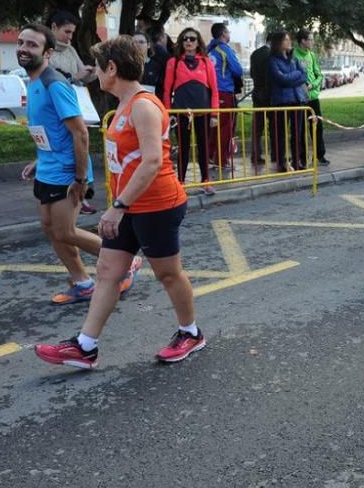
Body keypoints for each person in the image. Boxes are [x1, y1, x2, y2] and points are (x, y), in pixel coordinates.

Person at [34, 35, 203, 369]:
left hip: (157, 204)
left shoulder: (142, 105)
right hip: (130, 205)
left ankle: (191, 332)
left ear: (112, 68)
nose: (94, 73)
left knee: (168, 275)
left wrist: (118, 206)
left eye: (97, 67)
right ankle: (85, 347)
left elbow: (152, 161)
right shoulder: (123, 105)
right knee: (108, 271)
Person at [17, 24, 139, 304]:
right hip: (47, 168)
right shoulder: (34, 82)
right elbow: (50, 131)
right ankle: (83, 283)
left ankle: (127, 261)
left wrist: (81, 179)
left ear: (47, 53)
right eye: (21, 42)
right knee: (51, 229)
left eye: (32, 45)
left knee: (65, 231)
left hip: (65, 172)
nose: (23, 48)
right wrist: (38, 159)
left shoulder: (54, 83)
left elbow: (80, 132)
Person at [47, 9, 99, 214]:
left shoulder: (70, 50)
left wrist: (93, 72)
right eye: (66, 32)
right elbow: (50, 81)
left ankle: (83, 192)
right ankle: (70, 191)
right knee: (67, 147)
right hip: (56, 108)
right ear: (53, 27)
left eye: (72, 33)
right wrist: (74, 76)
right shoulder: (46, 52)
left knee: (81, 145)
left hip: (74, 103)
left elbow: (82, 76)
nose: (69, 37)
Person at [162, 28, 218, 195]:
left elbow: (214, 90)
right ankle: (180, 182)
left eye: (192, 39)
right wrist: (168, 112)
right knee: (183, 148)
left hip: (203, 112)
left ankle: (206, 181)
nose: (188, 42)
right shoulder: (174, 62)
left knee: (204, 147)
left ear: (198, 42)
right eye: (185, 38)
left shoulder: (207, 62)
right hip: (181, 112)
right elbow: (167, 90)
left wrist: (214, 114)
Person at [267, 31, 310, 172]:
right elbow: (281, 79)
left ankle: (297, 160)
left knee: (297, 133)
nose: (289, 41)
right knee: (281, 134)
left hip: (297, 99)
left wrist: (292, 77)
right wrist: (295, 77)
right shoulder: (272, 59)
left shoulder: (293, 58)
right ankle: (281, 162)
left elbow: (304, 75)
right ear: (279, 43)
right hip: (281, 101)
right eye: (286, 40)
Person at [207, 23, 244, 171]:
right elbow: (238, 70)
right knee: (226, 127)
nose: (229, 35)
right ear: (223, 34)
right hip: (225, 92)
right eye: (228, 32)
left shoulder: (208, 50)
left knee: (213, 127)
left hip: (210, 92)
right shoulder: (225, 50)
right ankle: (222, 160)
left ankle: (210, 156)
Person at [292, 29, 329, 166]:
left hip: (313, 98)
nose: (313, 42)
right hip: (300, 99)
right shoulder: (294, 55)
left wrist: (312, 85)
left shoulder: (311, 55)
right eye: (311, 39)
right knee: (300, 129)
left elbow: (319, 75)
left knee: (317, 127)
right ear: (303, 41)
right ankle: (301, 157)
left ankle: (320, 154)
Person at [248, 41, 272, 167]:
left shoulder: (255, 53)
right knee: (274, 126)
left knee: (257, 128)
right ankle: (276, 154)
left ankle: (255, 155)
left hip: (257, 93)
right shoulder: (272, 54)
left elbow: (252, 73)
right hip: (270, 95)